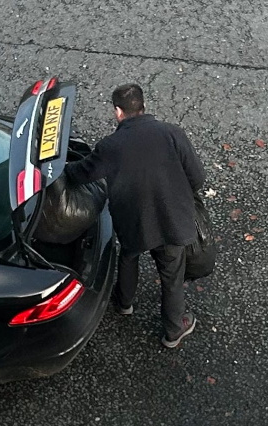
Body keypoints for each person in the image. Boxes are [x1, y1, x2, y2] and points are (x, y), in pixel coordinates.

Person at [64, 83, 205, 348]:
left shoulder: (111, 146)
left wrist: (58, 169)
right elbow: (197, 177)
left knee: (128, 257)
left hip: (134, 221)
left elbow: (81, 174)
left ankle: (124, 303)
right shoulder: (172, 133)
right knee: (172, 275)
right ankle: (174, 329)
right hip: (172, 220)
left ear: (118, 111)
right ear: (144, 106)